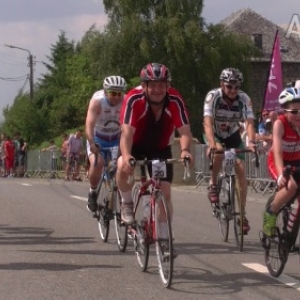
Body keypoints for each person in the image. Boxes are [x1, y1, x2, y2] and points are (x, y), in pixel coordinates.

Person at [116, 62, 193, 236]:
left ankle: (164, 237)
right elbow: (126, 133)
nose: (158, 90)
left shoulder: (175, 99)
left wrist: (185, 150)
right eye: (153, 85)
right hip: (134, 145)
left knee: (164, 193)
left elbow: (185, 131)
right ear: (144, 86)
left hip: (159, 148)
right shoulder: (133, 99)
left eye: (162, 85)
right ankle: (127, 204)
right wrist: (127, 155)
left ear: (168, 85)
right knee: (121, 164)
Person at [203, 67, 256, 234]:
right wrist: (211, 143)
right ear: (222, 85)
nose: (233, 90)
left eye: (236, 87)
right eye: (229, 86)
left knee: (241, 170)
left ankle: (242, 214)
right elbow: (207, 121)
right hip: (215, 134)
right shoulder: (213, 97)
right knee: (218, 152)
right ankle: (212, 183)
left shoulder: (244, 99)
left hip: (232, 134)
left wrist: (252, 142)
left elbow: (249, 123)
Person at [85, 75, 127, 212]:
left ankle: (122, 199)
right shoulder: (97, 102)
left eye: (119, 93)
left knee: (122, 165)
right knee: (98, 164)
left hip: (116, 137)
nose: (116, 97)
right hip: (98, 137)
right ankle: (92, 192)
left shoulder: (126, 101)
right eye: (112, 93)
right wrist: (91, 142)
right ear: (105, 92)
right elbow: (89, 125)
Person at [263, 87, 300, 236]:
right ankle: (270, 213)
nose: (299, 115)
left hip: (297, 159)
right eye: (294, 112)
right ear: (285, 111)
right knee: (290, 186)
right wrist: (280, 175)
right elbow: (277, 151)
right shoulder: (280, 124)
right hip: (278, 160)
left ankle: (289, 233)